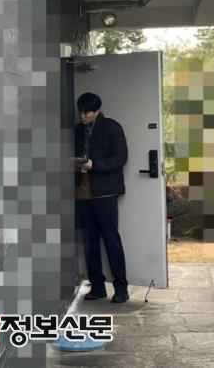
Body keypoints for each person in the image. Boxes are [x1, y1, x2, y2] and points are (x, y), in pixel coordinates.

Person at [74, 92, 129, 303]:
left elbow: (120, 158)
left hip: (105, 193)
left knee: (111, 240)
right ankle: (97, 287)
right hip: (81, 193)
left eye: (87, 112)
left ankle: (121, 288)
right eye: (81, 112)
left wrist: (94, 165)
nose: (83, 116)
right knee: (89, 243)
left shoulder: (112, 127)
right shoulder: (77, 130)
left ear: (97, 111)